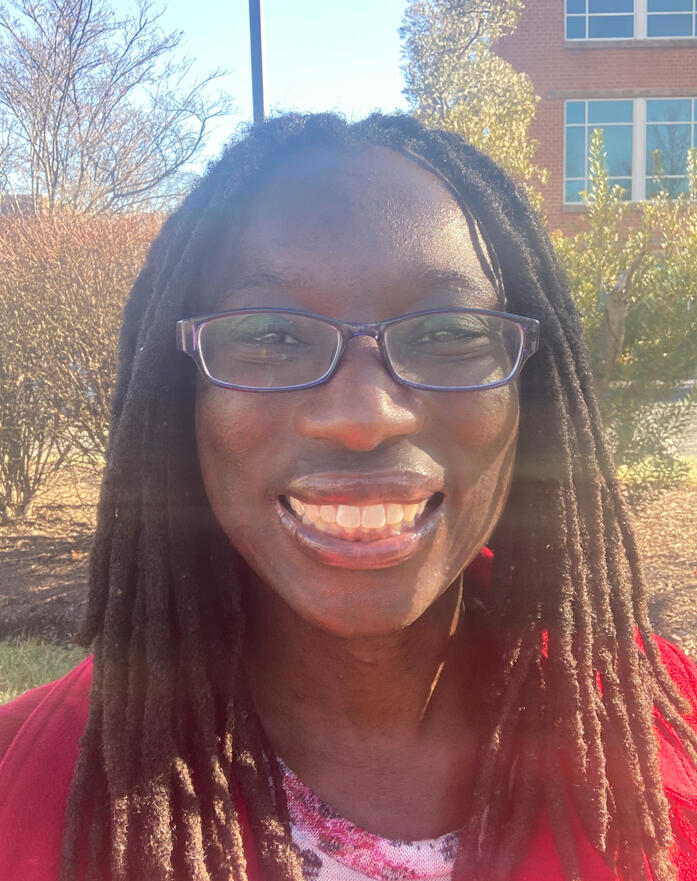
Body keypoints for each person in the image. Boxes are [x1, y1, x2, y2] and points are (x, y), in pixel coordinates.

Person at [1, 113, 697, 881]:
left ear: (529, 392)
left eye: (446, 332)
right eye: (271, 335)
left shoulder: (670, 728)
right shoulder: (21, 783)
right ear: (178, 401)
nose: (364, 416)